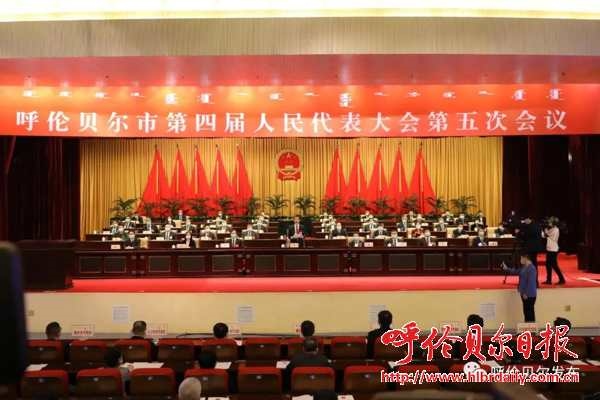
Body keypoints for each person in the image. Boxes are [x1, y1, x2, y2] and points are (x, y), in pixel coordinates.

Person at [502, 253, 538, 322]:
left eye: (521, 258)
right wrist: (507, 269)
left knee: (529, 312)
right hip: (524, 294)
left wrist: (525, 293)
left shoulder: (531, 268)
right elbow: (516, 271)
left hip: (529, 295)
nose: (520, 260)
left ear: (526, 258)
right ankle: (528, 326)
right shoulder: (524, 267)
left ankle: (531, 327)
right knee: (526, 312)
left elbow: (530, 283)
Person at [543, 218, 565, 285]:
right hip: (550, 248)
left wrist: (545, 230)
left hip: (553, 249)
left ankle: (562, 279)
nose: (549, 223)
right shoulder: (552, 229)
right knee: (548, 265)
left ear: (553, 223)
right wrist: (545, 230)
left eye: (550, 222)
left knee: (554, 265)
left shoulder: (555, 229)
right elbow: (544, 236)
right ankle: (549, 280)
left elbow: (546, 235)